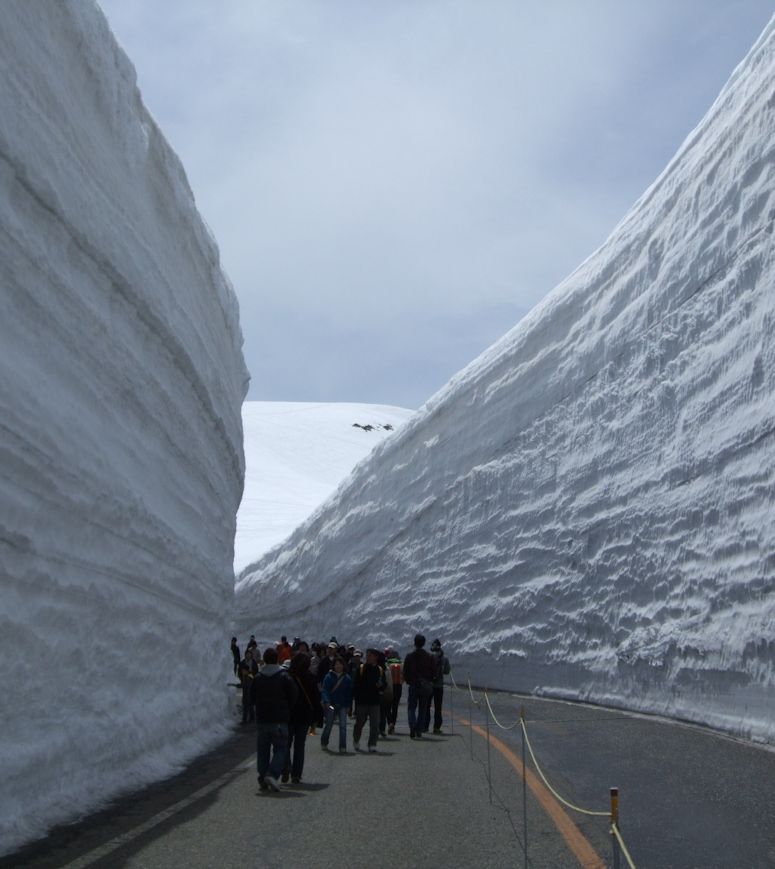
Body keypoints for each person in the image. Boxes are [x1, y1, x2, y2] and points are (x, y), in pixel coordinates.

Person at [249, 647, 298, 792]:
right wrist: (287, 708)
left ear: (264, 659)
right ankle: (272, 773)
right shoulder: (284, 676)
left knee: (263, 750)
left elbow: (252, 697)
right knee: (281, 749)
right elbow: (294, 695)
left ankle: (263, 776)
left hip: (263, 719)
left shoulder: (258, 677)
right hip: (279, 719)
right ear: (277, 659)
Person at [283, 652, 320, 783]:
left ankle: (286, 765)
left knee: (285, 744)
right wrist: (317, 718)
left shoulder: (287, 676)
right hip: (304, 717)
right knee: (299, 746)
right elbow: (316, 699)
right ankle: (296, 775)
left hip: (288, 715)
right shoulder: (310, 677)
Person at [402, 634, 438, 739]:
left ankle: (412, 726)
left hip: (413, 685)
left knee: (411, 707)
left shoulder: (409, 656)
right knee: (423, 709)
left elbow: (405, 671)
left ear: (414, 642)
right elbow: (433, 672)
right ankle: (419, 730)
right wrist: (430, 681)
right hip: (425, 685)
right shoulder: (429, 656)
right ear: (424, 643)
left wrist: (409, 681)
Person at [352, 648, 387, 752]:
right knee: (360, 723)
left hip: (375, 702)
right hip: (362, 702)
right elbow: (355, 685)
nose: (368, 657)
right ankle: (356, 739)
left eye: (370, 655)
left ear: (376, 657)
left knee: (375, 725)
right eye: (367, 655)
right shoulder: (361, 669)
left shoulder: (380, 670)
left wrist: (381, 686)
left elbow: (384, 685)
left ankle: (372, 744)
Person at [320, 657, 353, 752]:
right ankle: (324, 742)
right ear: (333, 666)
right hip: (331, 704)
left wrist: (348, 706)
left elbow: (349, 694)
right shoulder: (329, 676)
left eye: (340, 664)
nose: (338, 666)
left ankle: (343, 746)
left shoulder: (347, 678)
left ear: (343, 665)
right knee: (329, 724)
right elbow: (325, 690)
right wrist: (326, 701)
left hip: (343, 705)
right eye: (336, 664)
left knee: (343, 726)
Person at [424, 639, 450, 734]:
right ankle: (436, 728)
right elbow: (447, 671)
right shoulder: (445, 658)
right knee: (438, 707)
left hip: (429, 685)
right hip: (439, 686)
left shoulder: (428, 657)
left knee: (427, 706)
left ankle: (425, 726)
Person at [385, 648, 403, 734]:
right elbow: (404, 676)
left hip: (389, 686)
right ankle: (393, 725)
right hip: (398, 686)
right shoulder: (401, 664)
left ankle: (389, 723)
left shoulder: (387, 664)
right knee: (395, 706)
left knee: (388, 706)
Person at [238, 647, 258, 724]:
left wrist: (249, 674)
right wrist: (242, 679)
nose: (248, 656)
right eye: (247, 654)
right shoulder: (242, 663)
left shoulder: (254, 663)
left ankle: (251, 717)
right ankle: (246, 718)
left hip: (252, 683)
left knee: (250, 700)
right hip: (245, 683)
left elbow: (255, 673)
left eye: (249, 654)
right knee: (246, 700)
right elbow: (239, 673)